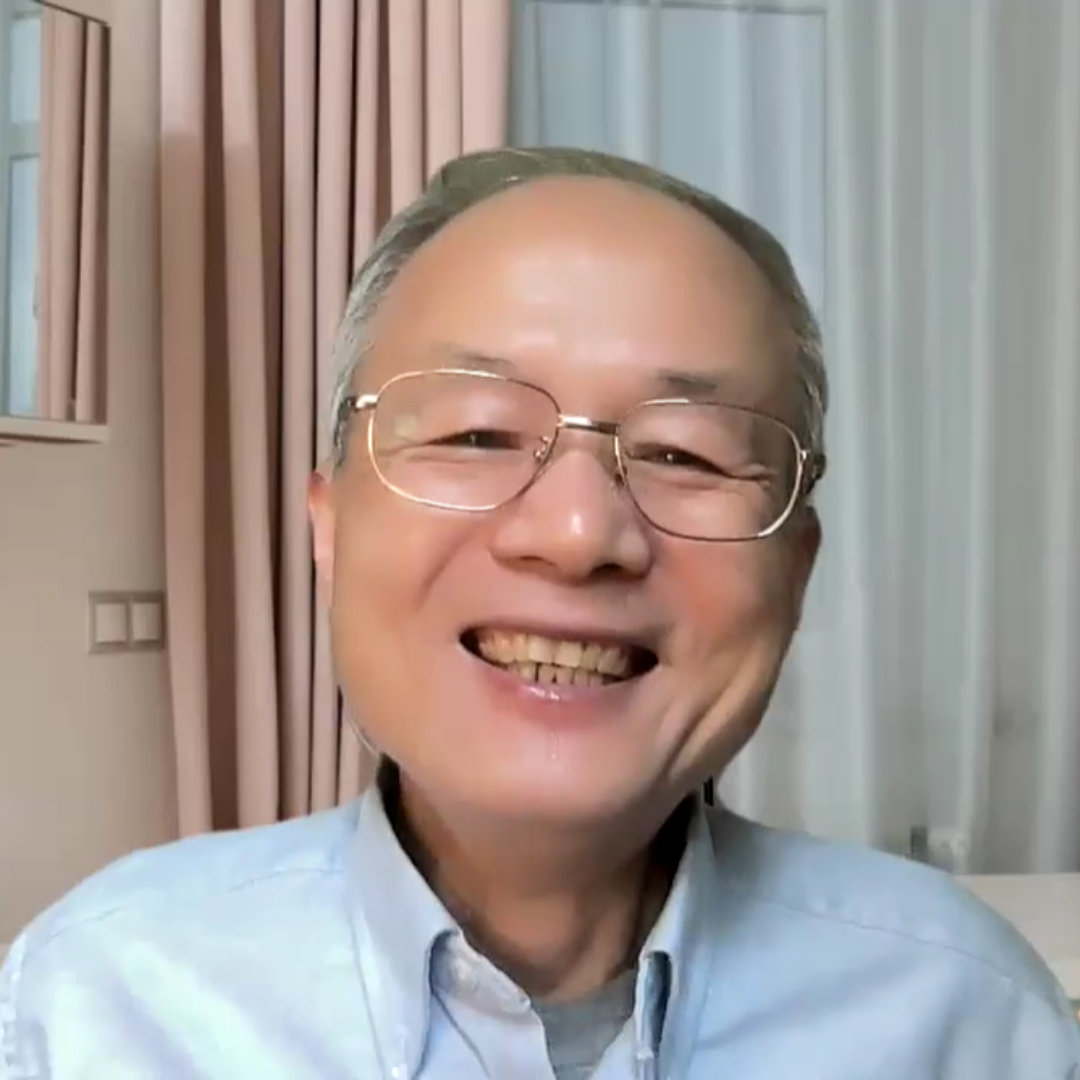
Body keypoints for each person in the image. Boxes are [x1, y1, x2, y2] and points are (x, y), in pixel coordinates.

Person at [2, 148, 1077, 1080]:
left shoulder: (966, 1018)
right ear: (329, 532)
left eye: (684, 453)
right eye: (475, 435)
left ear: (794, 570)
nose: (575, 532)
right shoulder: (95, 1008)